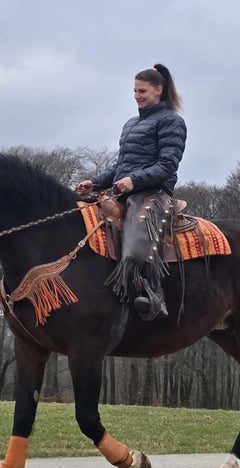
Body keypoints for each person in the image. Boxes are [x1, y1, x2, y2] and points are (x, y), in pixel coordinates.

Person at [76, 63, 187, 320]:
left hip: (154, 191)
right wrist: (95, 183)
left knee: (138, 232)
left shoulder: (172, 121)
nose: (137, 96)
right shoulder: (131, 124)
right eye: (135, 91)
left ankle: (152, 294)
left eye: (142, 91)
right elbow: (120, 167)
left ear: (159, 90)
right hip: (125, 189)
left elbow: (168, 164)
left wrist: (134, 181)